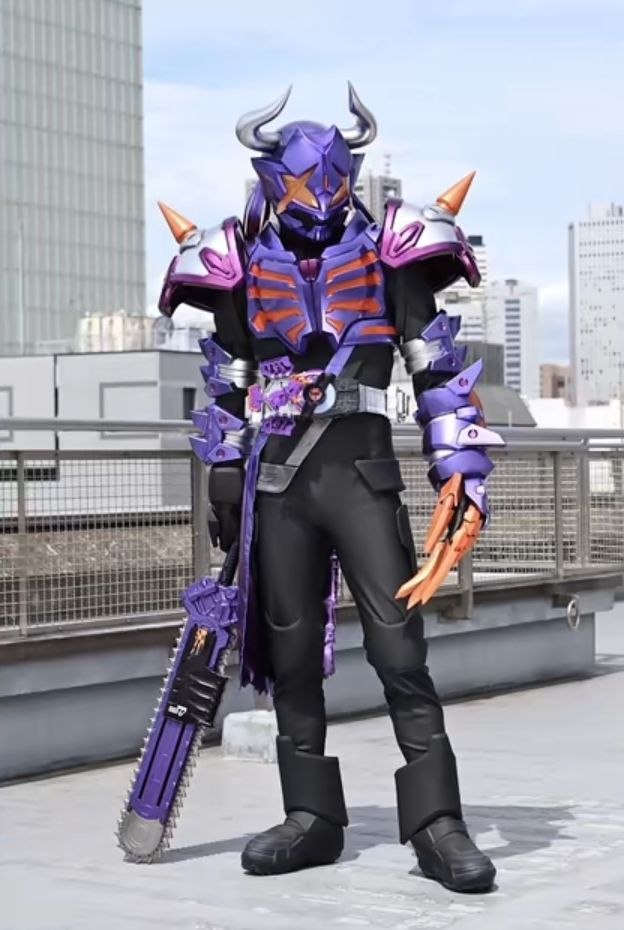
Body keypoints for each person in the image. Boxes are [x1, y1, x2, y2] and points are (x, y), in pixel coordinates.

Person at [157, 84, 503, 893]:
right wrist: (223, 471)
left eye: (333, 180)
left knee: (399, 650)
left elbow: (435, 366)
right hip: (278, 481)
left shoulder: (393, 252)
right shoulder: (238, 262)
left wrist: (459, 468)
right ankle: (311, 816)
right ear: (271, 180)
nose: (318, 198)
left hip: (362, 473)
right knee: (290, 656)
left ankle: (436, 820)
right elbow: (228, 376)